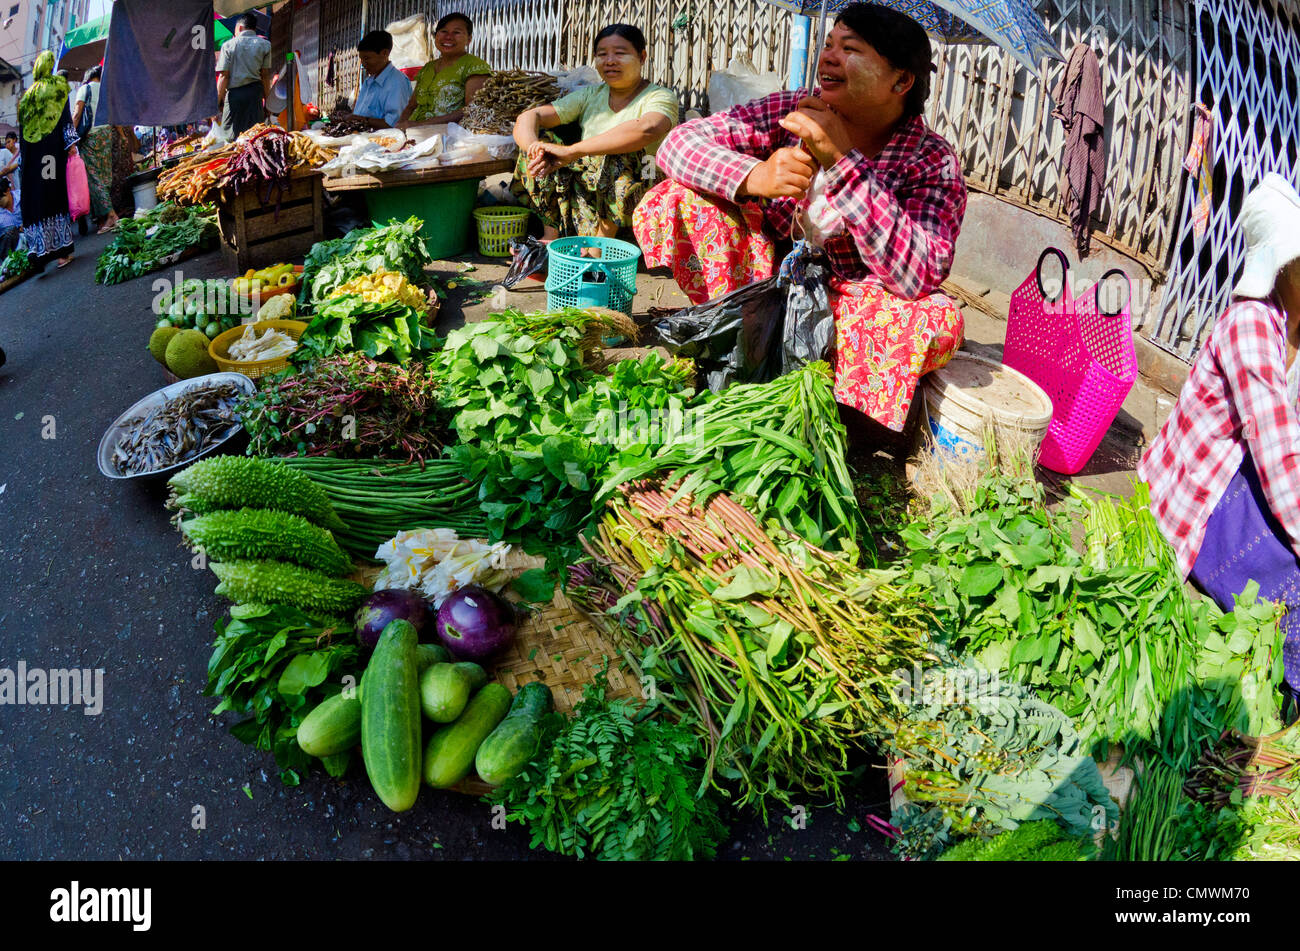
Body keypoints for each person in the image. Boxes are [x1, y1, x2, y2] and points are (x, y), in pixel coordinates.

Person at [633, 2, 966, 435]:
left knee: (938, 320)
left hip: (845, 305)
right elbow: (678, 144)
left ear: (901, 80)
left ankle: (827, 398)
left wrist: (844, 162)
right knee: (675, 199)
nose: (828, 56)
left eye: (851, 49)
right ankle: (740, 348)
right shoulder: (794, 110)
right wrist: (756, 175)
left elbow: (920, 274)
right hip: (761, 281)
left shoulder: (931, 159)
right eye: (829, 44)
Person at [1139, 173, 1300, 710]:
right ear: (1282, 267)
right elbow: (1279, 459)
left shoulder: (1296, 332)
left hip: (1248, 479)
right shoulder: (1251, 325)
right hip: (1200, 500)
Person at [512, 24, 677, 242]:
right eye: (602, 55)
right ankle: (551, 236)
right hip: (593, 183)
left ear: (642, 56)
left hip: (643, 183)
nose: (609, 61)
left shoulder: (660, 96)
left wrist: (573, 151)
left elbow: (647, 129)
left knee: (619, 153)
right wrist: (535, 148)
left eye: (620, 53)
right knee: (542, 148)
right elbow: (531, 116)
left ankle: (599, 245)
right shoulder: (591, 94)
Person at [17, 51, 77, 270]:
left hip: (32, 160)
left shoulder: (26, 96)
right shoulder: (58, 86)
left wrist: (24, 164)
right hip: (49, 156)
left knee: (37, 200)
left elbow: (23, 132)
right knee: (54, 196)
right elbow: (65, 118)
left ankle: (40, 253)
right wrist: (70, 144)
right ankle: (62, 253)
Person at [397, 13, 491, 129]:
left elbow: (473, 109)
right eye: (443, 31)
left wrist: (421, 125)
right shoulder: (427, 68)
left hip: (450, 138)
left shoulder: (475, 66)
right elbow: (411, 106)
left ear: (469, 39)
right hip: (415, 135)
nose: (448, 37)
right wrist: (398, 129)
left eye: (456, 32)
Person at [72, 65, 120, 234]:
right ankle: (103, 218)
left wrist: (70, 138)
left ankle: (111, 215)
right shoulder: (106, 90)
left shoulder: (84, 89)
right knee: (105, 175)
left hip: (91, 136)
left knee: (94, 178)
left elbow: (77, 114)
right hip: (106, 133)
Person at [216, 13, 273, 139]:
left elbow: (223, 76)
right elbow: (265, 75)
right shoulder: (265, 45)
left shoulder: (228, 45)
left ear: (240, 28)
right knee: (255, 134)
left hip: (234, 96)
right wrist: (268, 101)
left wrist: (217, 101)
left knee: (230, 136)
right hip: (255, 94)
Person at [347, 30, 412, 130]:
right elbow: (359, 114)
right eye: (362, 59)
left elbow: (394, 123)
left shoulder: (397, 82)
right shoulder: (368, 82)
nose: (363, 64)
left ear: (384, 53)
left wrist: (361, 119)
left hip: (384, 142)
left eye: (367, 58)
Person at [0, 178, 20, 254]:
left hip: (27, 238)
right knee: (11, 230)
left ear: (8, 190)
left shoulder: (22, 197)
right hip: (8, 249)